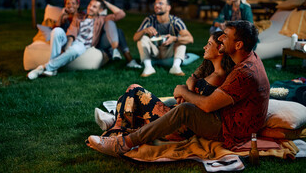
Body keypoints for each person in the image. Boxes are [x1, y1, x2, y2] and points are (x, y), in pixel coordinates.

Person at [87, 20, 270, 157]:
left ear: (238, 45)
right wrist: (188, 88)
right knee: (168, 103)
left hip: (230, 129)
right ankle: (119, 123)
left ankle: (123, 143)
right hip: (227, 116)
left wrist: (184, 92)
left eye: (225, 36)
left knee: (183, 110)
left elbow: (206, 105)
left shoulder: (245, 72)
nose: (220, 38)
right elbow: (201, 78)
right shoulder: (245, 60)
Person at [94, 31, 235, 140]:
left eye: (209, 44)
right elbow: (191, 82)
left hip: (181, 125)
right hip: (177, 112)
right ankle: (116, 123)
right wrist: (188, 88)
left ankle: (116, 128)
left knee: (134, 89)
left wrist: (185, 92)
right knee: (126, 99)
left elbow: (200, 108)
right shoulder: (209, 69)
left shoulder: (219, 78)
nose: (204, 47)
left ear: (220, 49)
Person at [27, 0, 125, 79]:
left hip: (82, 44)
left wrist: (106, 3)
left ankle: (44, 67)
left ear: (100, 10)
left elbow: (121, 14)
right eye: (90, 4)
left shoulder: (102, 19)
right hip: (71, 40)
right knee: (56, 31)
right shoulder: (78, 17)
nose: (90, 8)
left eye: (94, 7)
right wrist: (68, 45)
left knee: (75, 50)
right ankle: (52, 69)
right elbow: (72, 31)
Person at [133, 0, 194, 77]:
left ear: (168, 7)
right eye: (155, 4)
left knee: (181, 40)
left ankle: (175, 67)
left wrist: (174, 38)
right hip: (155, 51)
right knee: (142, 38)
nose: (157, 5)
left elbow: (190, 39)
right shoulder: (149, 20)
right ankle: (148, 67)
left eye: (160, 3)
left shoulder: (176, 21)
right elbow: (135, 38)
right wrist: (144, 31)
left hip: (169, 51)